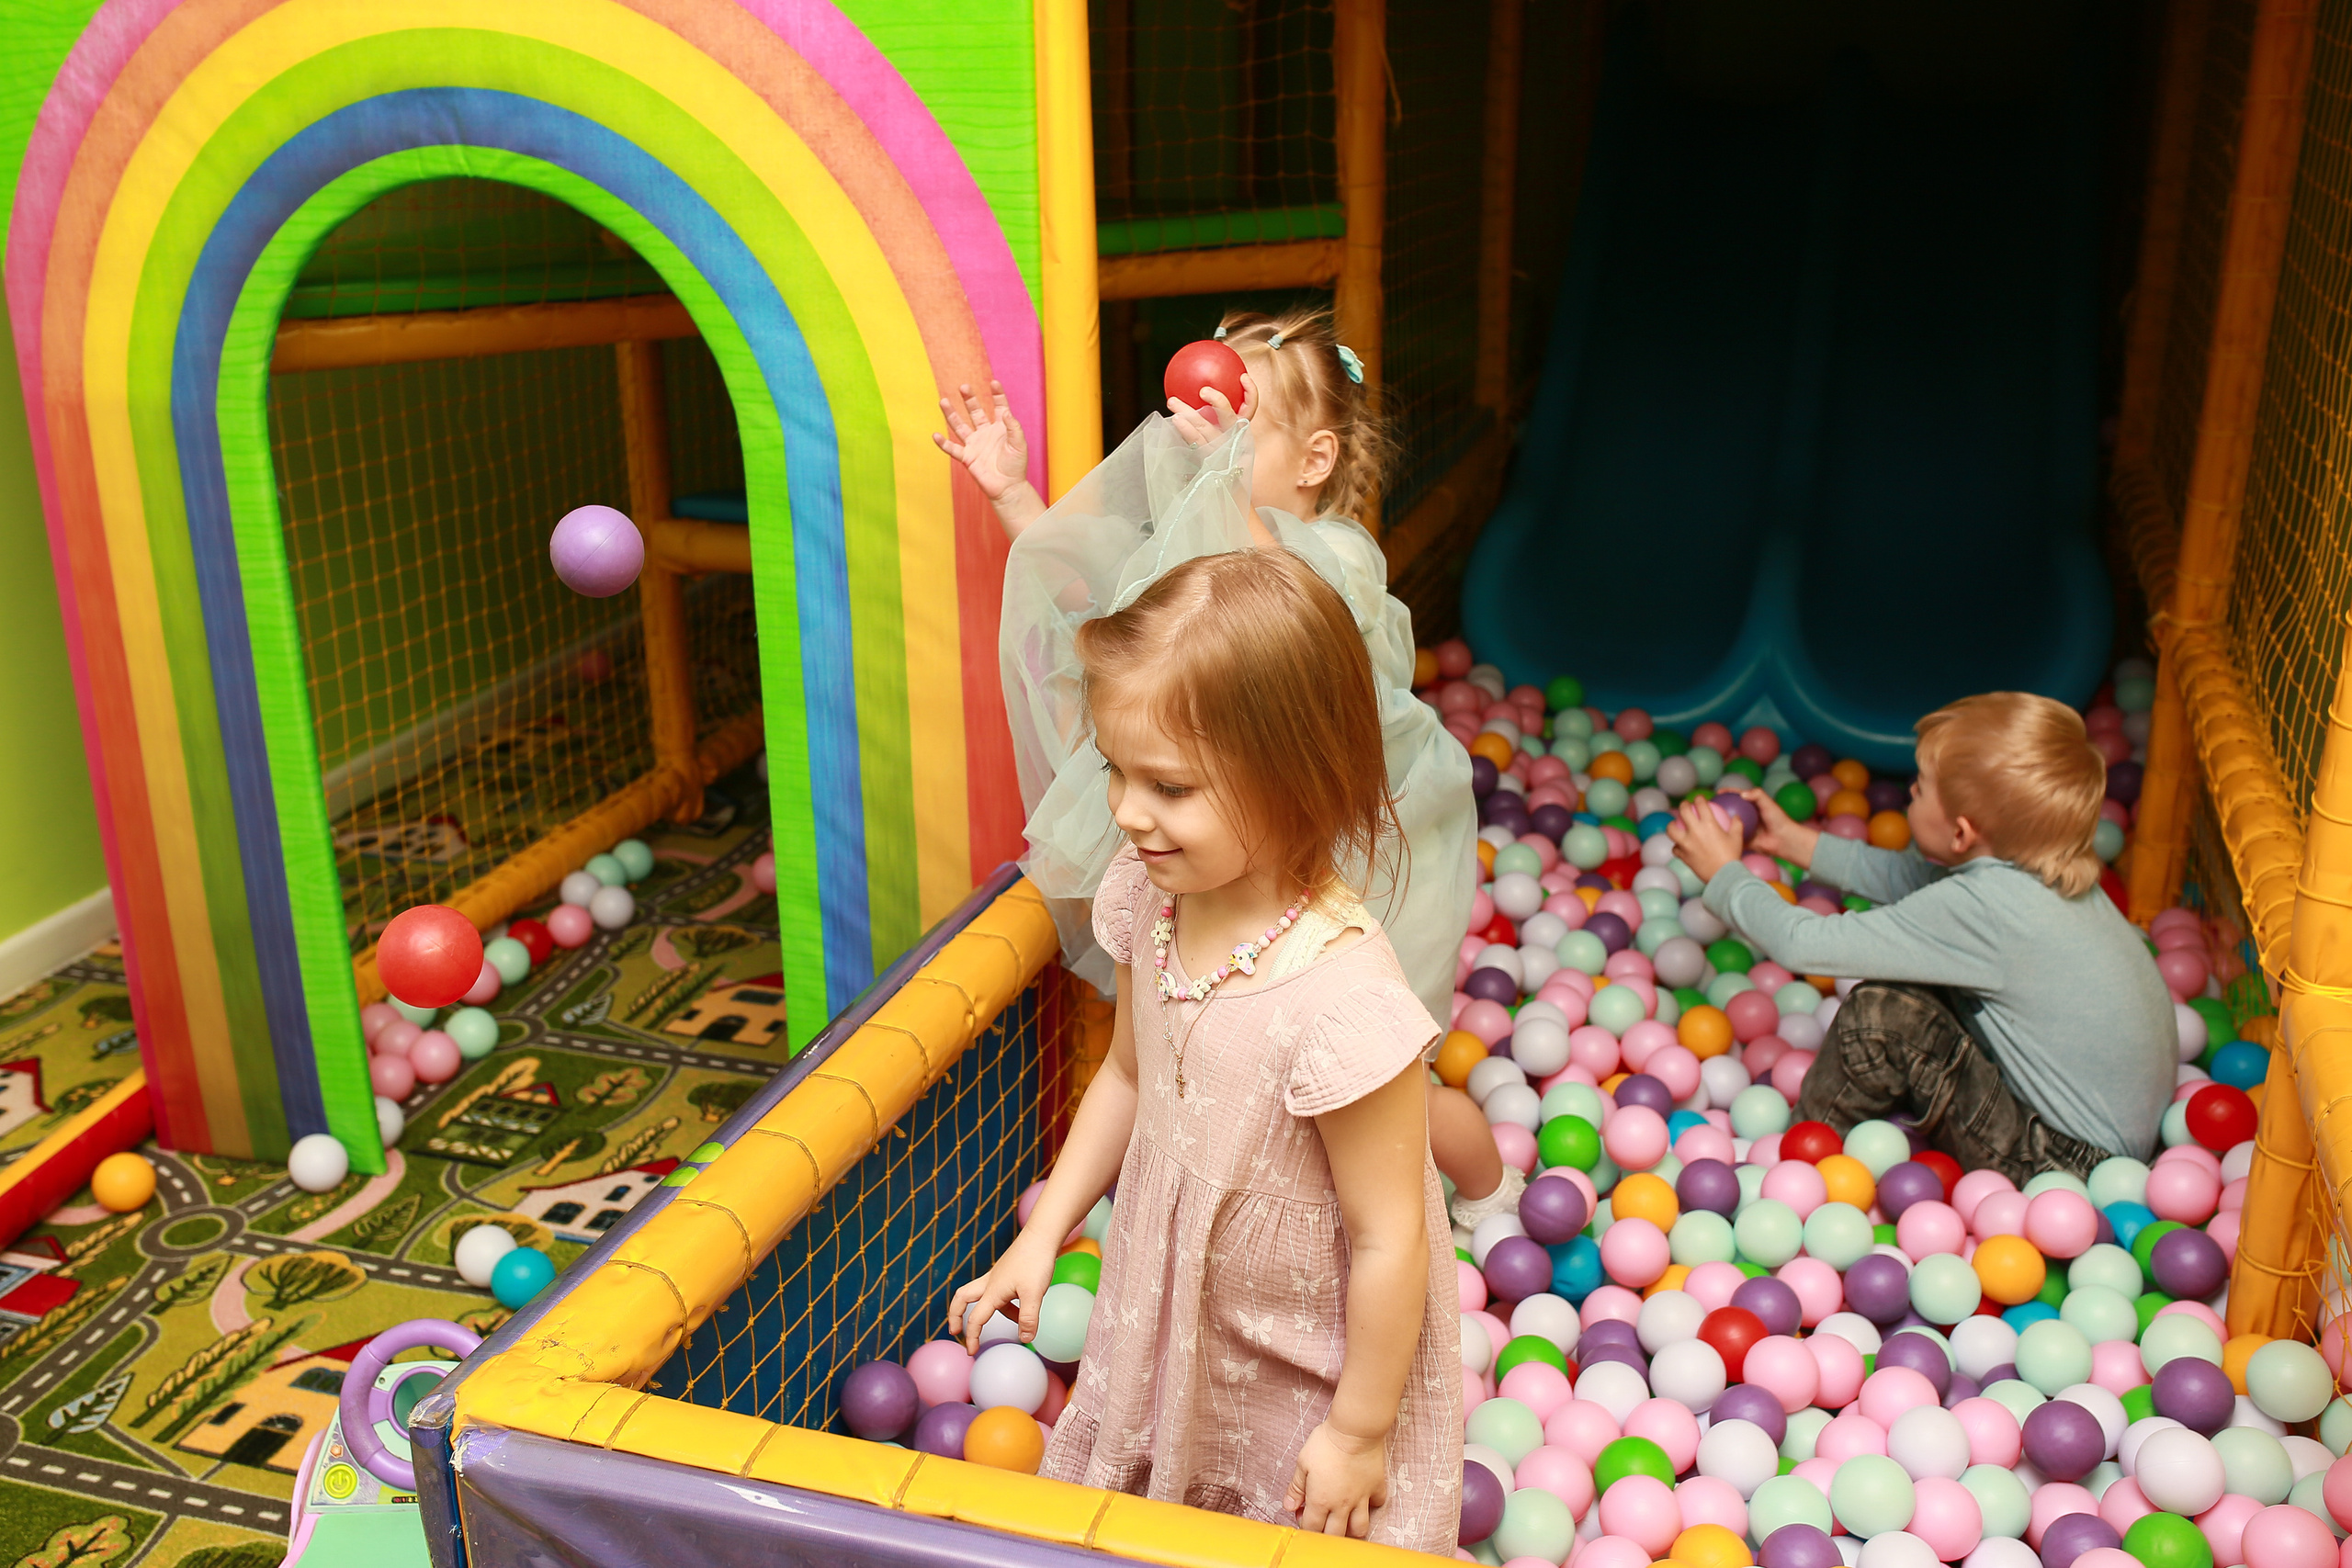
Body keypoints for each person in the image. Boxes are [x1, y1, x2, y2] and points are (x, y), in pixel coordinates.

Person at [936, 306, 1514, 1225]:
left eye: (1236, 428)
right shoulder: (1197, 539)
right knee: (1233, 1050)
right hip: (1240, 851)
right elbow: (1101, 603)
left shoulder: (1338, 556)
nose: (1199, 445)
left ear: (1315, 459)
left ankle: (1491, 1192)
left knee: (1375, 1078)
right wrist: (1011, 493)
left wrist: (1220, 489)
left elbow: (1282, 595)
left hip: (1348, 851)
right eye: (1189, 426)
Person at [946, 550, 1461, 1547]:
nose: (1128, 812)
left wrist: (1358, 1432)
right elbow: (1129, 1073)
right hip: (1174, 1302)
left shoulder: (1344, 1002)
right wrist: (1044, 1232)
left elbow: (1390, 1238)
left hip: (1307, 1354)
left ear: (1298, 782)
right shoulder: (1151, 900)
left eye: (1170, 787)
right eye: (1115, 772)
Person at [1665, 693, 2175, 1177]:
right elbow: (1914, 882)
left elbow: (1802, 944)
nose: (1910, 788)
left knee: (1882, 1013)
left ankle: (1804, 1161)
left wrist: (1724, 874)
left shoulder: (1982, 911)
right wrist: (1790, 841)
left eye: (1921, 786)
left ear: (1960, 833)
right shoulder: (2044, 875)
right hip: (2118, 1159)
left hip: (2056, 1164)